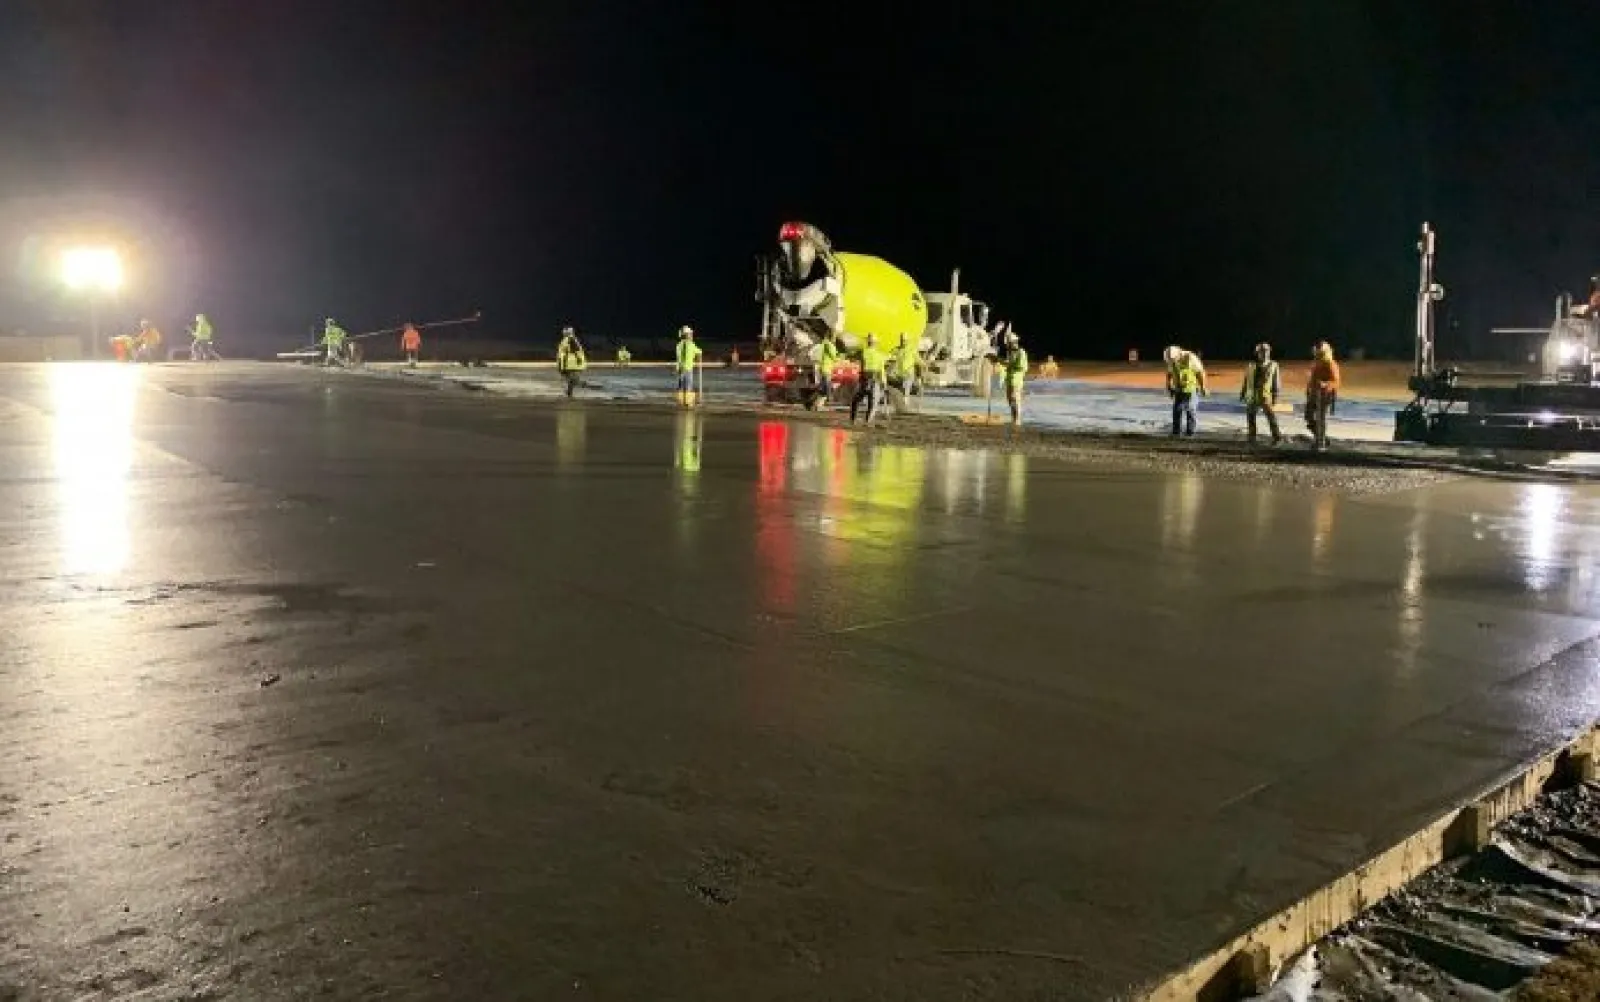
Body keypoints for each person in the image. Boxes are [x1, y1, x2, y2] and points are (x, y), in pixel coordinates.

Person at [1239, 342, 1283, 445]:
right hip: (1252, 396)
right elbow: (1246, 380)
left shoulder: (1273, 365)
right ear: (1257, 353)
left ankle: (1277, 437)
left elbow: (1276, 382)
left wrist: (1275, 396)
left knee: (1271, 417)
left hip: (1265, 396)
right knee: (1250, 417)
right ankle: (1252, 438)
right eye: (1261, 351)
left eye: (1266, 351)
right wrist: (1243, 392)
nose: (1264, 353)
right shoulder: (1251, 365)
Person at [1306, 341, 1341, 451]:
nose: (1317, 355)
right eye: (1316, 352)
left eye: (1320, 353)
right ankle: (1321, 437)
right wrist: (1308, 389)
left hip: (1325, 395)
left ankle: (1320, 443)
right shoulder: (1316, 364)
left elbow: (1336, 381)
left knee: (1321, 419)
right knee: (1308, 416)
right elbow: (1312, 379)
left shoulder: (1331, 364)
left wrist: (1325, 384)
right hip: (1313, 394)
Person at [1164, 344, 1207, 436]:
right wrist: (1169, 386)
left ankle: (1190, 433)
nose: (1171, 362)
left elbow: (1200, 372)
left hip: (1191, 389)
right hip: (1178, 389)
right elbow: (1169, 374)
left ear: (1178, 355)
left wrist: (1203, 387)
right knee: (1177, 410)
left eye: (1172, 360)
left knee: (1190, 410)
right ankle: (1176, 432)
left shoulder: (1191, 358)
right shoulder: (1172, 360)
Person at [851, 334, 887, 425]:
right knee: (873, 402)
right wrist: (884, 382)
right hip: (874, 378)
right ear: (875, 343)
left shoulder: (863, 352)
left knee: (856, 399)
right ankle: (868, 420)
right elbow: (881, 370)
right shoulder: (880, 355)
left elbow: (854, 359)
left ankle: (853, 419)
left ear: (868, 342)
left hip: (864, 378)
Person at [1002, 329, 1028, 427]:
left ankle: (1017, 420)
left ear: (1013, 342)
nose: (1007, 345)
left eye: (1008, 343)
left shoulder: (1021, 352)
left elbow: (1023, 367)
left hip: (1016, 380)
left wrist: (1008, 364)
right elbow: (1008, 364)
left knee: (1015, 399)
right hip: (1009, 380)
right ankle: (1013, 419)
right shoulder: (1011, 353)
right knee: (1010, 400)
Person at [674, 325, 702, 407]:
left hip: (680, 368)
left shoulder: (679, 345)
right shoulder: (690, 344)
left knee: (681, 385)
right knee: (688, 385)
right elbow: (698, 351)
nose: (691, 335)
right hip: (687, 368)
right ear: (686, 335)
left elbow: (680, 356)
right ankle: (688, 402)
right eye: (690, 334)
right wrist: (699, 352)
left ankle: (680, 401)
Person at [556, 326, 586, 397]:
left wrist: (578, 360)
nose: (563, 333)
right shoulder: (568, 339)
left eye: (565, 331)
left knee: (572, 379)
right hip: (568, 363)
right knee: (570, 379)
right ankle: (570, 391)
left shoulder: (570, 339)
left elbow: (576, 350)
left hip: (571, 363)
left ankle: (579, 386)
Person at [894, 333, 921, 411]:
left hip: (908, 373)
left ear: (907, 341)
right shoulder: (897, 349)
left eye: (904, 340)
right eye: (902, 340)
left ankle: (905, 406)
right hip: (899, 374)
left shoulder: (912, 349)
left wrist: (924, 365)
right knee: (902, 390)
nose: (903, 342)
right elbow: (890, 355)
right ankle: (903, 406)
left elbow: (918, 360)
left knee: (905, 389)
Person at [815, 332, 839, 410]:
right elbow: (833, 356)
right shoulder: (828, 345)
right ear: (831, 337)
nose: (835, 338)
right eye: (834, 336)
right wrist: (838, 359)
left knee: (823, 388)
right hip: (826, 368)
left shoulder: (826, 344)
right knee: (826, 388)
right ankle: (819, 405)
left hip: (826, 368)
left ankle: (818, 405)